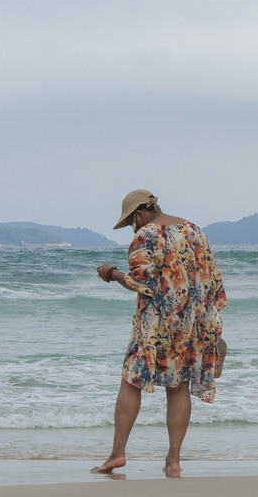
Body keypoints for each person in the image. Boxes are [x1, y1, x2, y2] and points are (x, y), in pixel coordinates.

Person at [93, 189, 226, 477]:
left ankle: (117, 454)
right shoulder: (195, 231)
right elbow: (213, 280)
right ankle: (173, 461)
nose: (133, 228)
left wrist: (111, 273)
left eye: (131, 222)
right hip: (192, 323)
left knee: (131, 380)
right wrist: (210, 323)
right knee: (179, 386)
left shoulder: (146, 236)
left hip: (157, 324)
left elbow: (142, 284)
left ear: (140, 215)